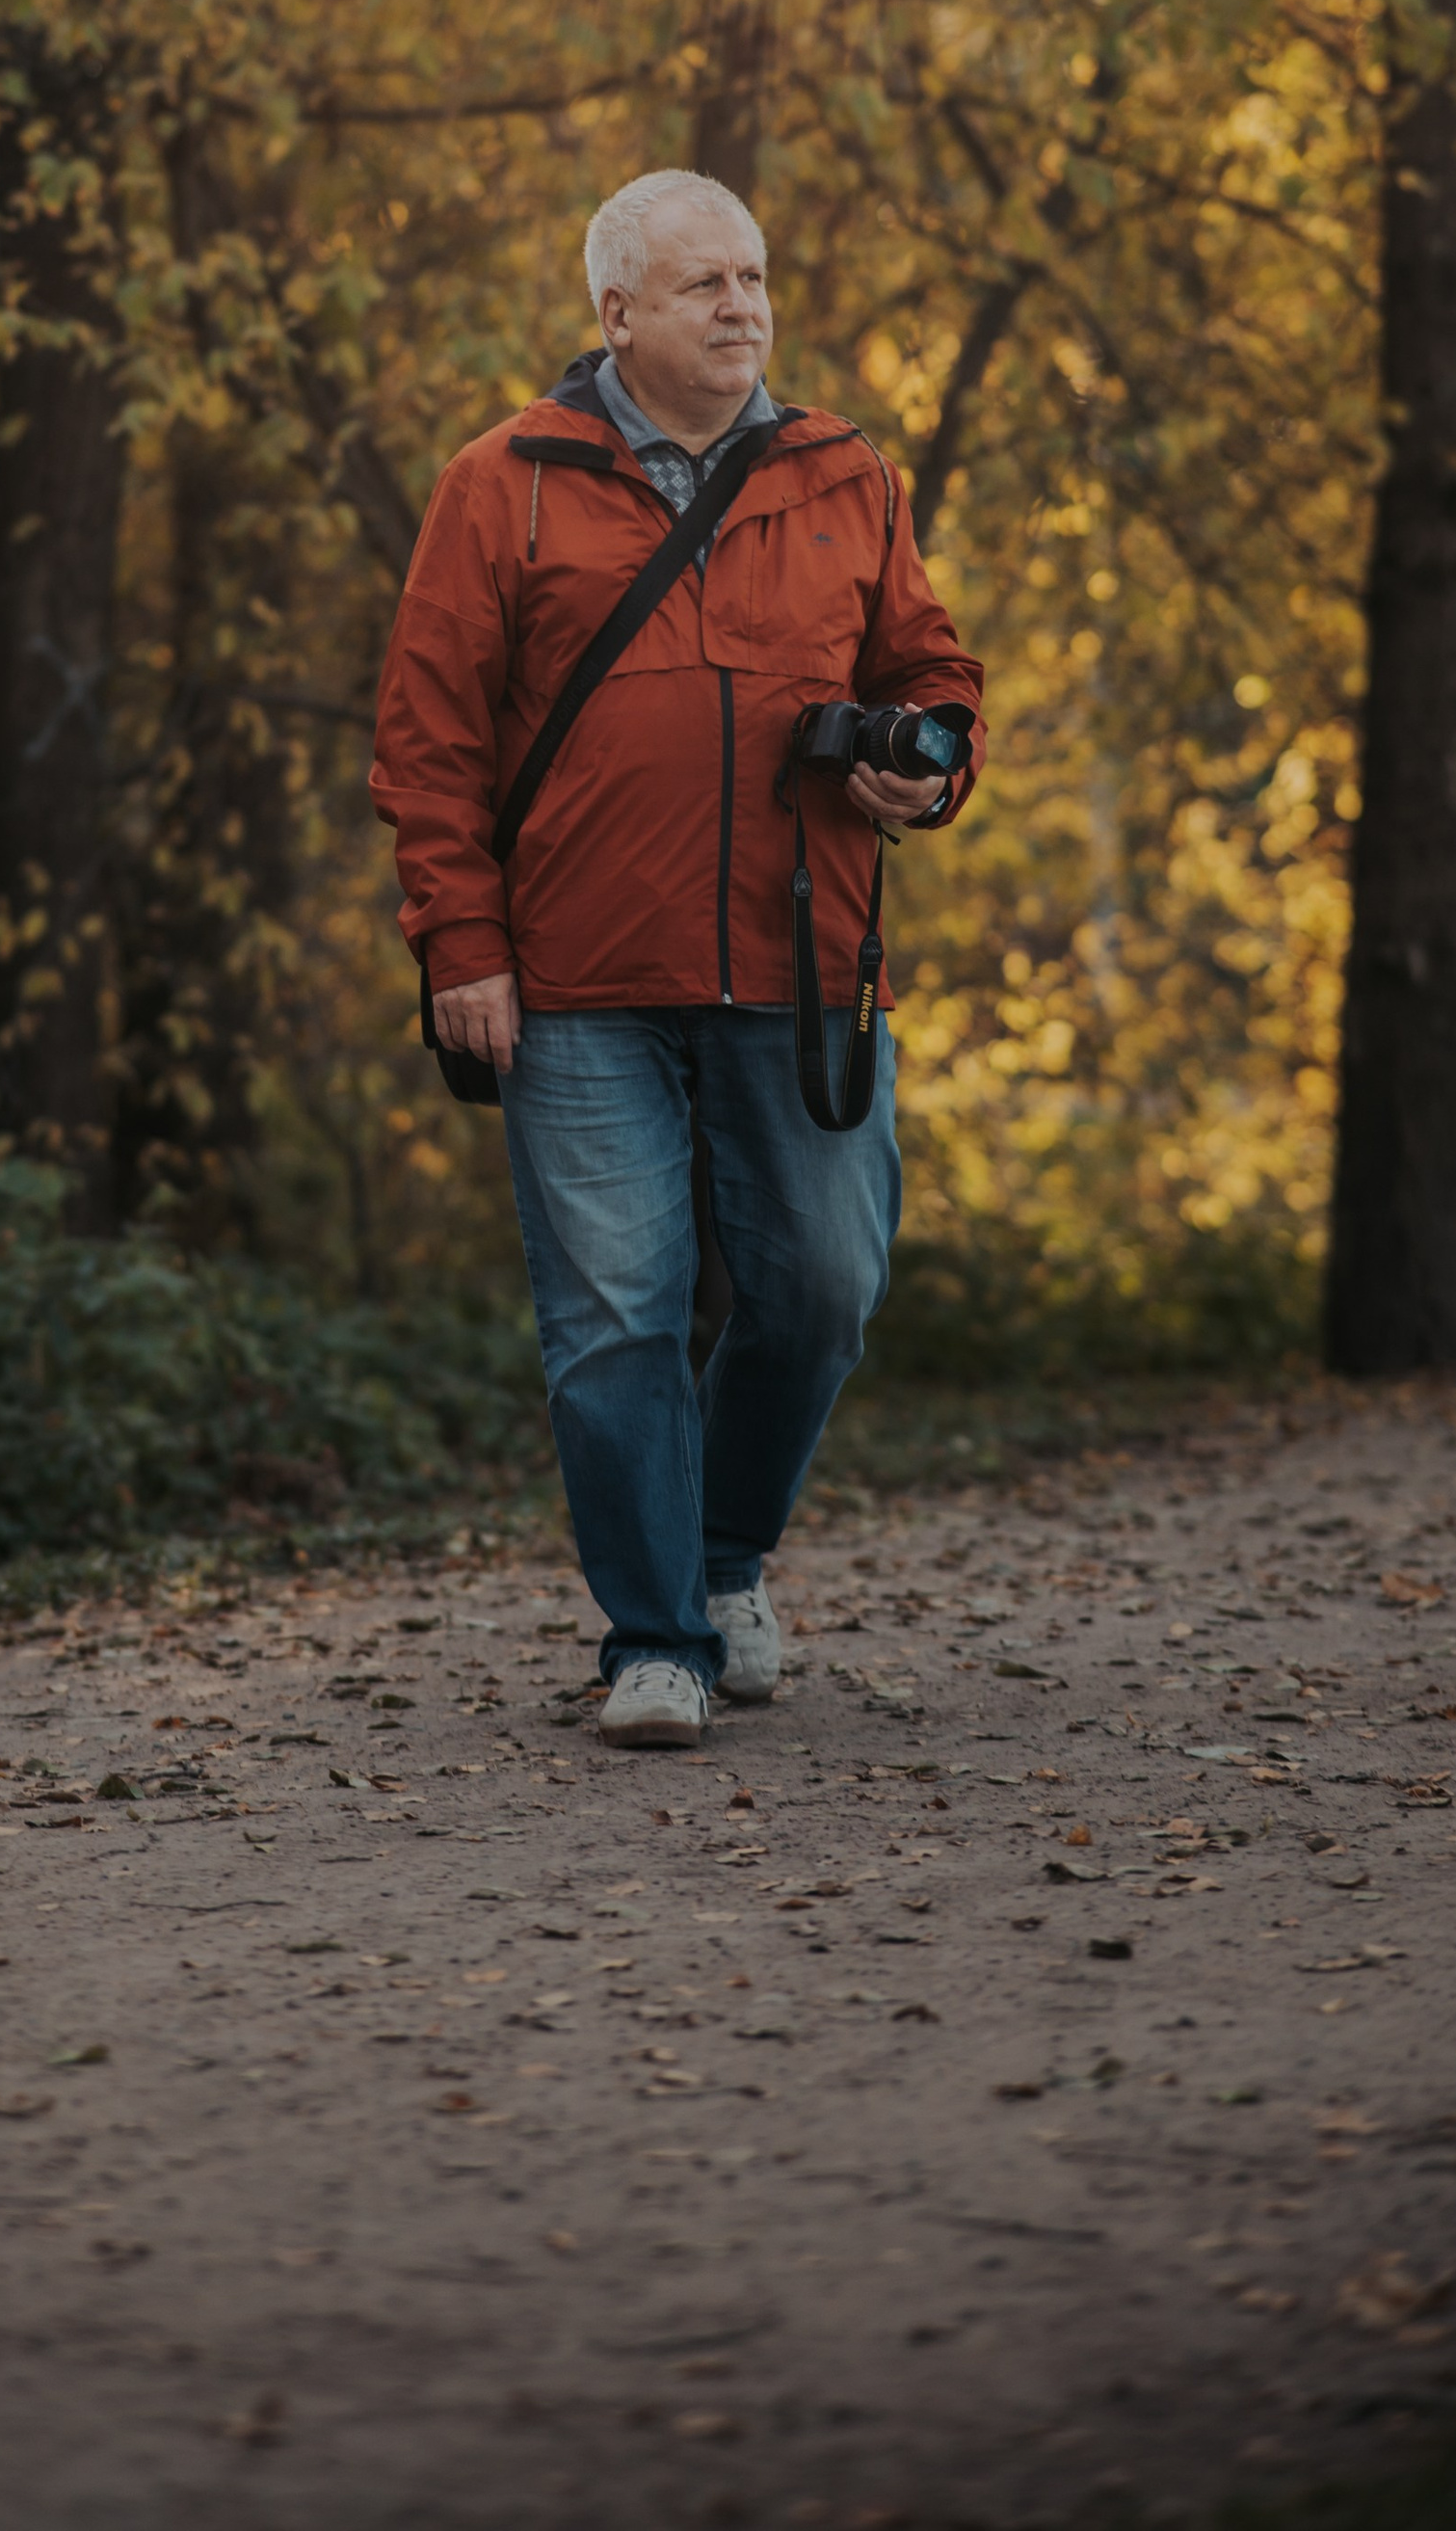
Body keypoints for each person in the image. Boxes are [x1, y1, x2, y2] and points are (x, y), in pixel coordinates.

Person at [372, 168, 986, 1745]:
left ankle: (723, 1560)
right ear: (617, 313)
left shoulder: (846, 474)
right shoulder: (500, 482)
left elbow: (929, 668)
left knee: (826, 1289)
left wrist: (932, 759)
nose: (743, 307)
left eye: (756, 278)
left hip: (803, 969)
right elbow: (429, 741)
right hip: (572, 981)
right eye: (706, 283)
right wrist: (462, 940)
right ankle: (655, 1639)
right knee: (615, 1310)